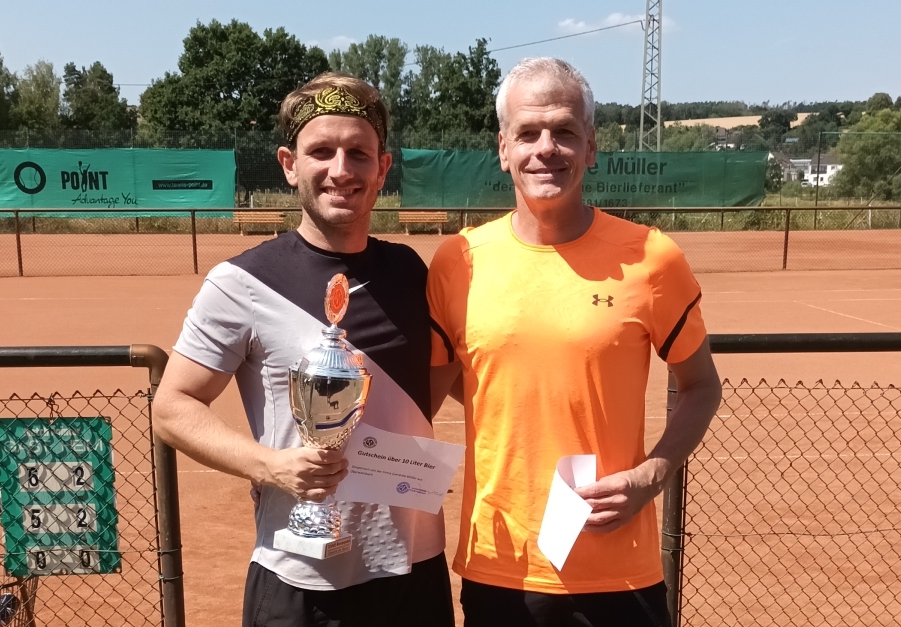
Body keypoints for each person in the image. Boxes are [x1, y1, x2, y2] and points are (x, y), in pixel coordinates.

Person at [426, 58, 723, 627]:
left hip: (619, 570)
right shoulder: (457, 262)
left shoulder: (652, 258)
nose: (546, 148)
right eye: (528, 132)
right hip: (500, 566)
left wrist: (650, 476)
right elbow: (432, 398)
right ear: (503, 147)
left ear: (591, 146)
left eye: (564, 131)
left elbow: (702, 387)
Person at [153, 73, 454, 627]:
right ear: (290, 164)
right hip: (303, 582)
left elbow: (431, 384)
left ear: (382, 169)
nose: (341, 170)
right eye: (322, 151)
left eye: (359, 153)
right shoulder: (240, 282)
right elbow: (172, 409)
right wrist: (271, 465)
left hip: (415, 575)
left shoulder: (412, 273)